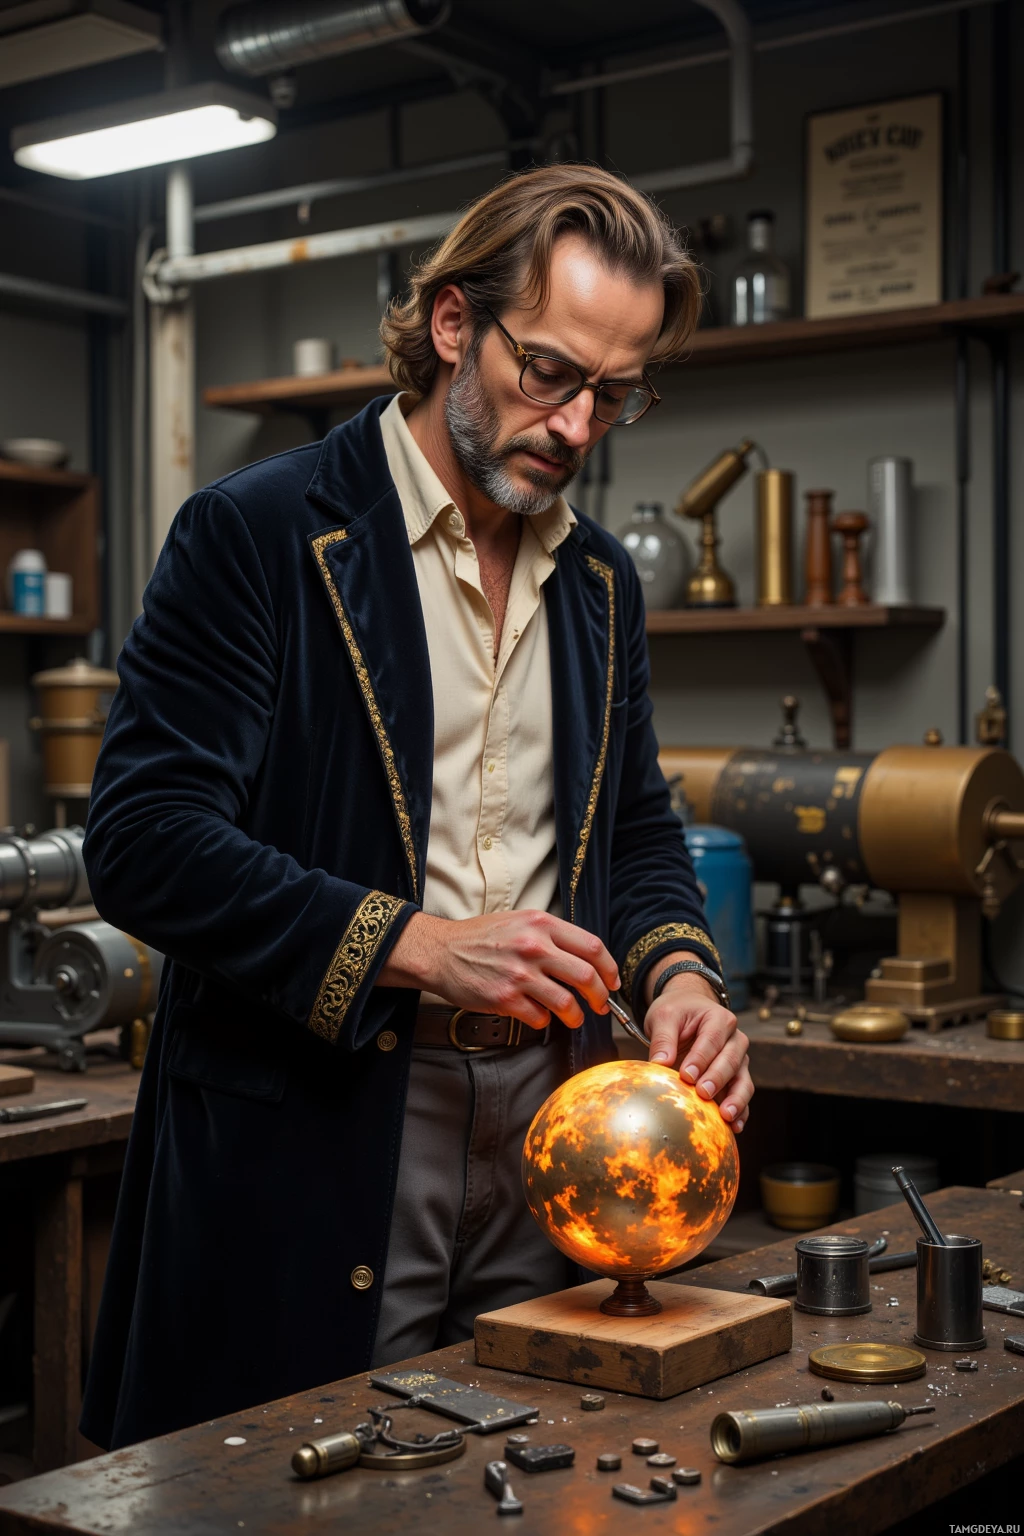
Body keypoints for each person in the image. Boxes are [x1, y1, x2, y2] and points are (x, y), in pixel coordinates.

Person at [80, 162, 753, 1451]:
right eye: (548, 373)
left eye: (616, 394)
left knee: (536, 1463)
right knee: (309, 1479)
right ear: (454, 323)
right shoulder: (259, 532)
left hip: (559, 1112)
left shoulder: (599, 581)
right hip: (327, 1120)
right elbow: (144, 842)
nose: (576, 425)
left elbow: (636, 831)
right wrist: (427, 945)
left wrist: (681, 979)